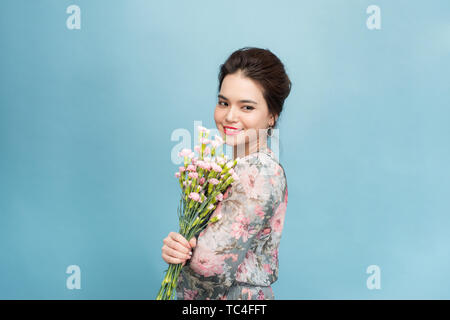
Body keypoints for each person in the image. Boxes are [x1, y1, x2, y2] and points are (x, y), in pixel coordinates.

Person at [161, 47, 291, 300]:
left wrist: (185, 256)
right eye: (223, 103)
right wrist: (178, 248)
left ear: (272, 116)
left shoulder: (258, 171)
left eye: (247, 107)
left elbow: (208, 264)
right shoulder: (235, 170)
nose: (230, 116)